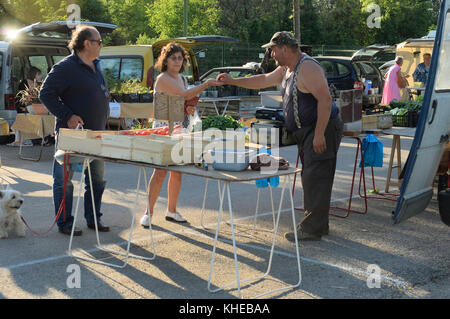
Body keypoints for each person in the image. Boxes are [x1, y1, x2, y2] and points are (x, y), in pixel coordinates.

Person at [217, 31, 343, 241]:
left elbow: (325, 100)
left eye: (273, 49)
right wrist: (233, 80)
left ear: (285, 48)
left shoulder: (307, 67)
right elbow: (263, 80)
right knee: (312, 177)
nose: (271, 54)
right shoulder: (286, 68)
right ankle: (318, 225)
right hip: (307, 131)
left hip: (321, 128)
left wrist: (320, 133)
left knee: (316, 178)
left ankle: (312, 229)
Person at [140, 42, 222, 227]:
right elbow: (184, 95)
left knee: (177, 172)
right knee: (160, 171)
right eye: (173, 58)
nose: (177, 61)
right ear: (166, 61)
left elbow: (183, 101)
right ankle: (148, 212)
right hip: (163, 128)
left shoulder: (183, 79)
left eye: (180, 58)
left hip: (179, 127)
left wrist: (189, 108)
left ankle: (172, 210)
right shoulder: (162, 78)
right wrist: (207, 84)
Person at [39, 25, 110, 236]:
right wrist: (68, 115)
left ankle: (93, 218)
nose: (101, 45)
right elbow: (46, 94)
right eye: (99, 42)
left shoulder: (96, 65)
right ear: (86, 43)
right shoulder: (66, 67)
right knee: (64, 181)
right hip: (72, 136)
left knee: (97, 180)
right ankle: (64, 222)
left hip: (97, 134)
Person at [7, 66, 43, 147]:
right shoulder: (24, 83)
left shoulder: (38, 84)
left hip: (34, 107)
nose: (40, 77)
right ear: (34, 75)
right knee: (24, 116)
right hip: (23, 106)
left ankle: (28, 139)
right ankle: (22, 140)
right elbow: (20, 97)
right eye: (39, 75)